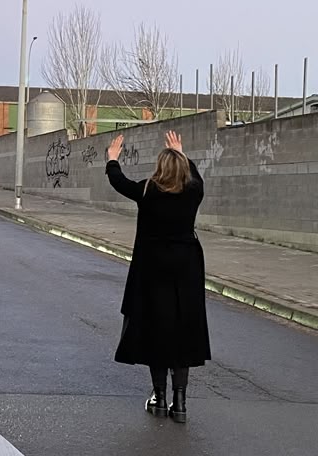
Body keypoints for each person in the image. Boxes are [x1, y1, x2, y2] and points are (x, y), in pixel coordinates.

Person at [105, 131, 211, 424]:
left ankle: (160, 399)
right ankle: (181, 403)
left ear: (160, 169)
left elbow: (119, 182)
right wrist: (182, 151)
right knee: (182, 333)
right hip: (186, 270)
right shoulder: (193, 192)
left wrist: (113, 159)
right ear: (183, 168)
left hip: (152, 271)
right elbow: (197, 178)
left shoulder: (148, 191)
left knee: (157, 331)